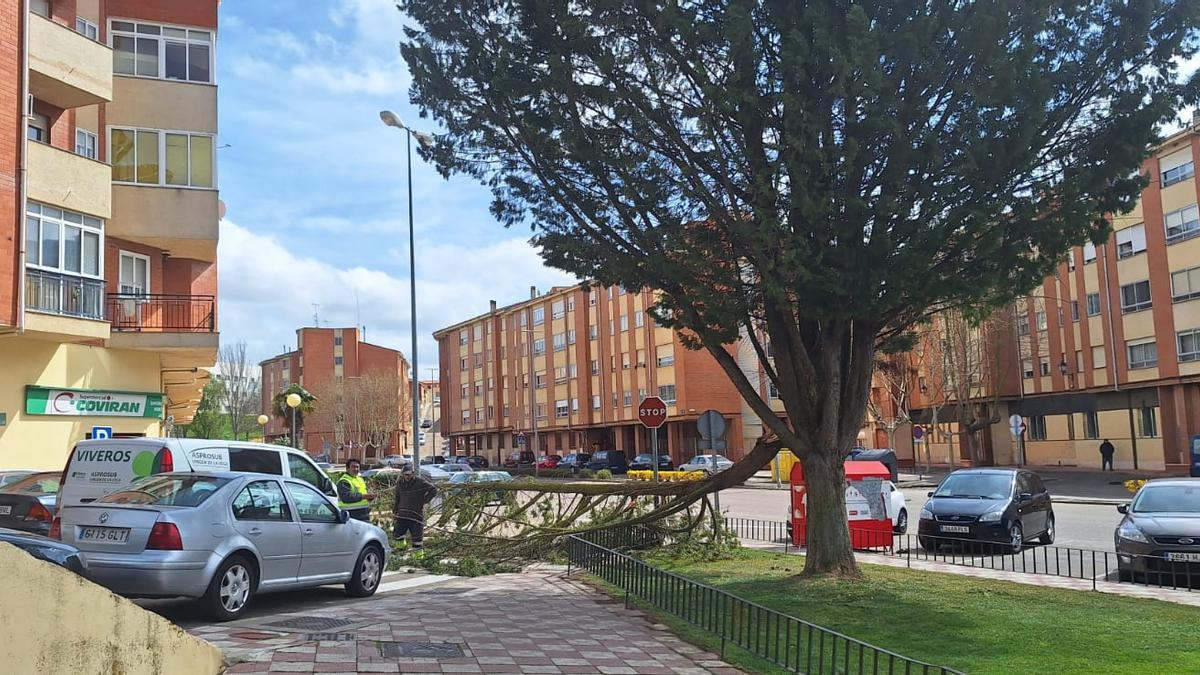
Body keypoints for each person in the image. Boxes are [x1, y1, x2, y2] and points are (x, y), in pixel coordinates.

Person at [392, 464, 438, 550]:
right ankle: (401, 551)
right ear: (402, 474)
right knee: (397, 535)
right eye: (405, 474)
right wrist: (395, 510)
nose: (407, 476)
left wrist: (425, 500)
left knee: (417, 540)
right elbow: (397, 497)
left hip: (415, 515)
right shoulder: (400, 483)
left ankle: (418, 560)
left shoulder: (420, 482)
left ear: (413, 473)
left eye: (409, 474)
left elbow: (433, 489)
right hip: (402, 515)